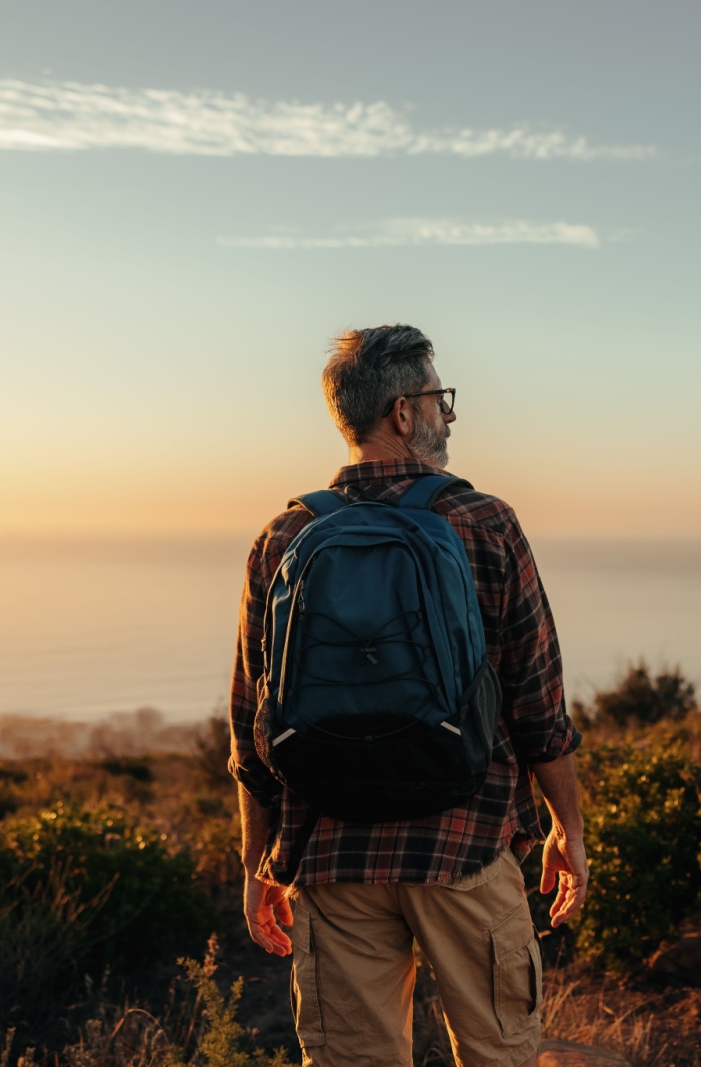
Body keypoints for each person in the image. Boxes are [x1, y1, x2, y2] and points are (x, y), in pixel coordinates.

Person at [228, 324, 588, 1067]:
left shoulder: (284, 535)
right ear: (401, 412)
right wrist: (567, 828)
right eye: (439, 398)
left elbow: (251, 723)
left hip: (332, 856)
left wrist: (258, 859)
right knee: (500, 1054)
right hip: (467, 846)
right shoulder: (483, 522)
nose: (449, 415)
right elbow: (537, 700)